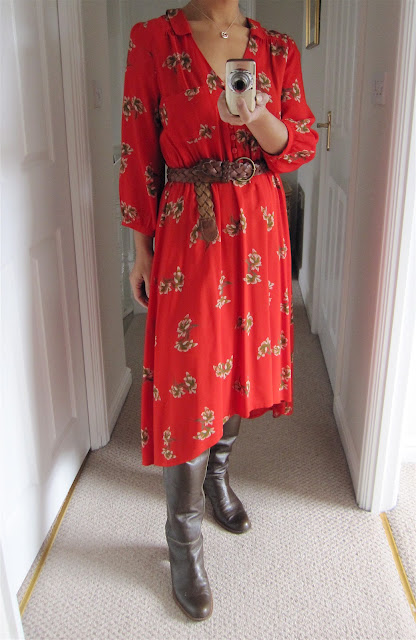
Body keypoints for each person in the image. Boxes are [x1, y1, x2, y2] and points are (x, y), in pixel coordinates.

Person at [119, 1, 318, 621]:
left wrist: (255, 113)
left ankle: (217, 477)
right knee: (190, 378)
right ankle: (183, 538)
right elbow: (138, 150)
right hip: (190, 226)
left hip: (259, 229)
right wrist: (141, 250)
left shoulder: (278, 50)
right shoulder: (154, 39)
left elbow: (299, 144)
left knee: (236, 367)